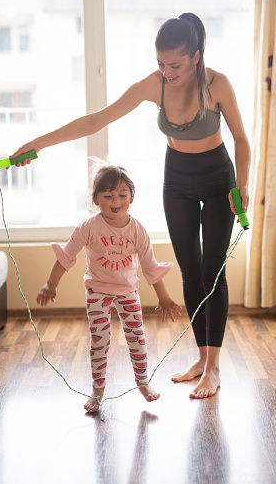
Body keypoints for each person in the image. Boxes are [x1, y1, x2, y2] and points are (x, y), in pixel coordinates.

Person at [12, 12, 250, 399]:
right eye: (160, 64)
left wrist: (242, 185)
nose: (166, 72)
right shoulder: (154, 85)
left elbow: (241, 138)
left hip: (218, 178)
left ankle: (214, 368)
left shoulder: (217, 84)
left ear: (195, 54)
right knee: (189, 269)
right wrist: (36, 144)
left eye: (174, 64)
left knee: (212, 269)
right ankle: (201, 357)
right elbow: (95, 122)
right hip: (177, 179)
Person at [36, 164, 182, 412]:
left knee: (136, 337)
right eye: (108, 195)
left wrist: (164, 297)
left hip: (127, 291)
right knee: (99, 341)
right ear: (96, 199)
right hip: (97, 292)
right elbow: (66, 257)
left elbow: (150, 267)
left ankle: (143, 381)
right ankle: (98, 389)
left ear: (131, 198)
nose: (116, 201)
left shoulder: (138, 230)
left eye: (122, 195)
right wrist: (51, 284)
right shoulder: (89, 226)